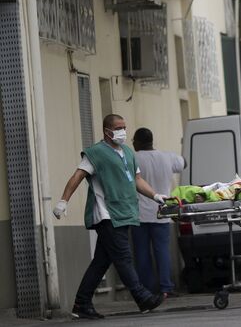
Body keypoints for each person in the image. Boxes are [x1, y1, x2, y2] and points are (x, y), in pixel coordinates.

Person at [52, 114, 168, 319]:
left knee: (101, 262)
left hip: (125, 212)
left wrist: (155, 195)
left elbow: (137, 180)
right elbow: (77, 176)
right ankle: (142, 297)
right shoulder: (95, 153)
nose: (123, 131)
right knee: (123, 257)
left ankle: (82, 304)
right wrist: (63, 201)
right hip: (107, 214)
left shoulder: (128, 153)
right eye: (118, 127)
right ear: (107, 131)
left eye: (124, 127)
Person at [131, 128, 185, 299]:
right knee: (162, 251)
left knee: (142, 253)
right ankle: (166, 288)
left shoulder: (133, 159)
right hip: (161, 212)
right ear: (151, 141)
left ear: (138, 142)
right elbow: (184, 163)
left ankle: (147, 289)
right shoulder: (167, 157)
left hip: (139, 214)